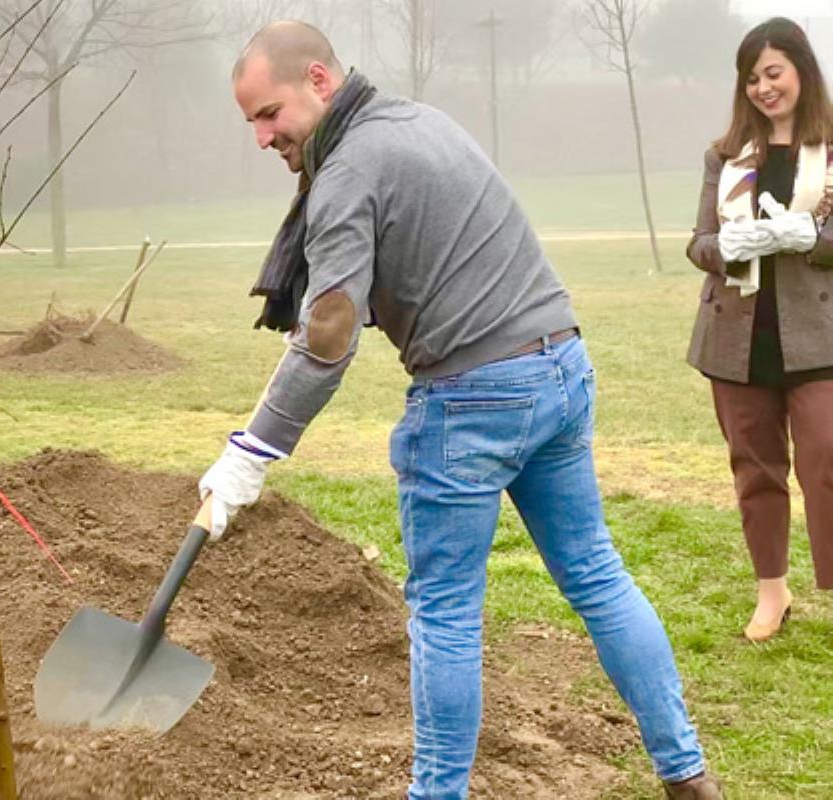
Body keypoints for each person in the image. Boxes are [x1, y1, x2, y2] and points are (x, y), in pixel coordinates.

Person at [198, 21, 722, 800]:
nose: (262, 136)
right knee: (598, 577)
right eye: (251, 122)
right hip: (560, 367)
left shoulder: (345, 173)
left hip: (474, 398)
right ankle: (689, 777)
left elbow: (329, 337)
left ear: (317, 81)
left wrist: (251, 453)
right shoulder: (419, 122)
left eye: (268, 114)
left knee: (444, 615)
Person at [685, 17, 833, 643]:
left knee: (826, 457)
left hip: (818, 336)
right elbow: (698, 243)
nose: (763, 88)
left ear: (802, 68)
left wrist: (815, 238)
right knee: (755, 468)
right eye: (752, 79)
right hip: (737, 339)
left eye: (773, 73)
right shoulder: (724, 157)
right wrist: (727, 247)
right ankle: (772, 591)